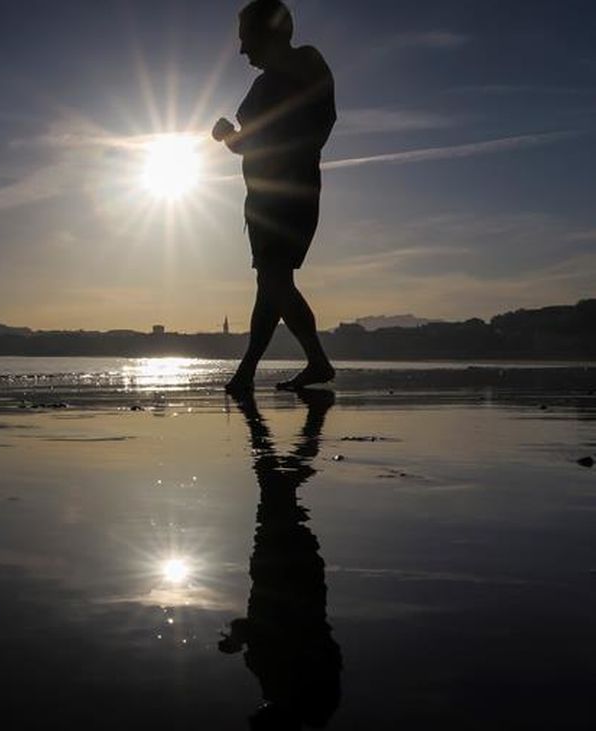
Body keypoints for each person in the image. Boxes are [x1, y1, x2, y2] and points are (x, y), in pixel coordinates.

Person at [213, 0, 336, 393]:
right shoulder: (266, 82)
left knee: (274, 281)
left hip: (289, 194)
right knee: (271, 283)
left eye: (246, 39)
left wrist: (237, 136)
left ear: (269, 34)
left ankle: (314, 360)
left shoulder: (305, 62)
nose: (242, 50)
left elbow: (318, 122)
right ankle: (249, 371)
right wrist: (229, 137)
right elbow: (250, 144)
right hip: (264, 200)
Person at [219, 389, 342, 729]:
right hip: (275, 573)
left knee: (279, 496)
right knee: (273, 492)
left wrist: (239, 639)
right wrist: (233, 639)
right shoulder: (277, 680)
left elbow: (263, 634)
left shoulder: (315, 700)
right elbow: (252, 630)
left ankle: (305, 425)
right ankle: (269, 421)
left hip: (305, 580)